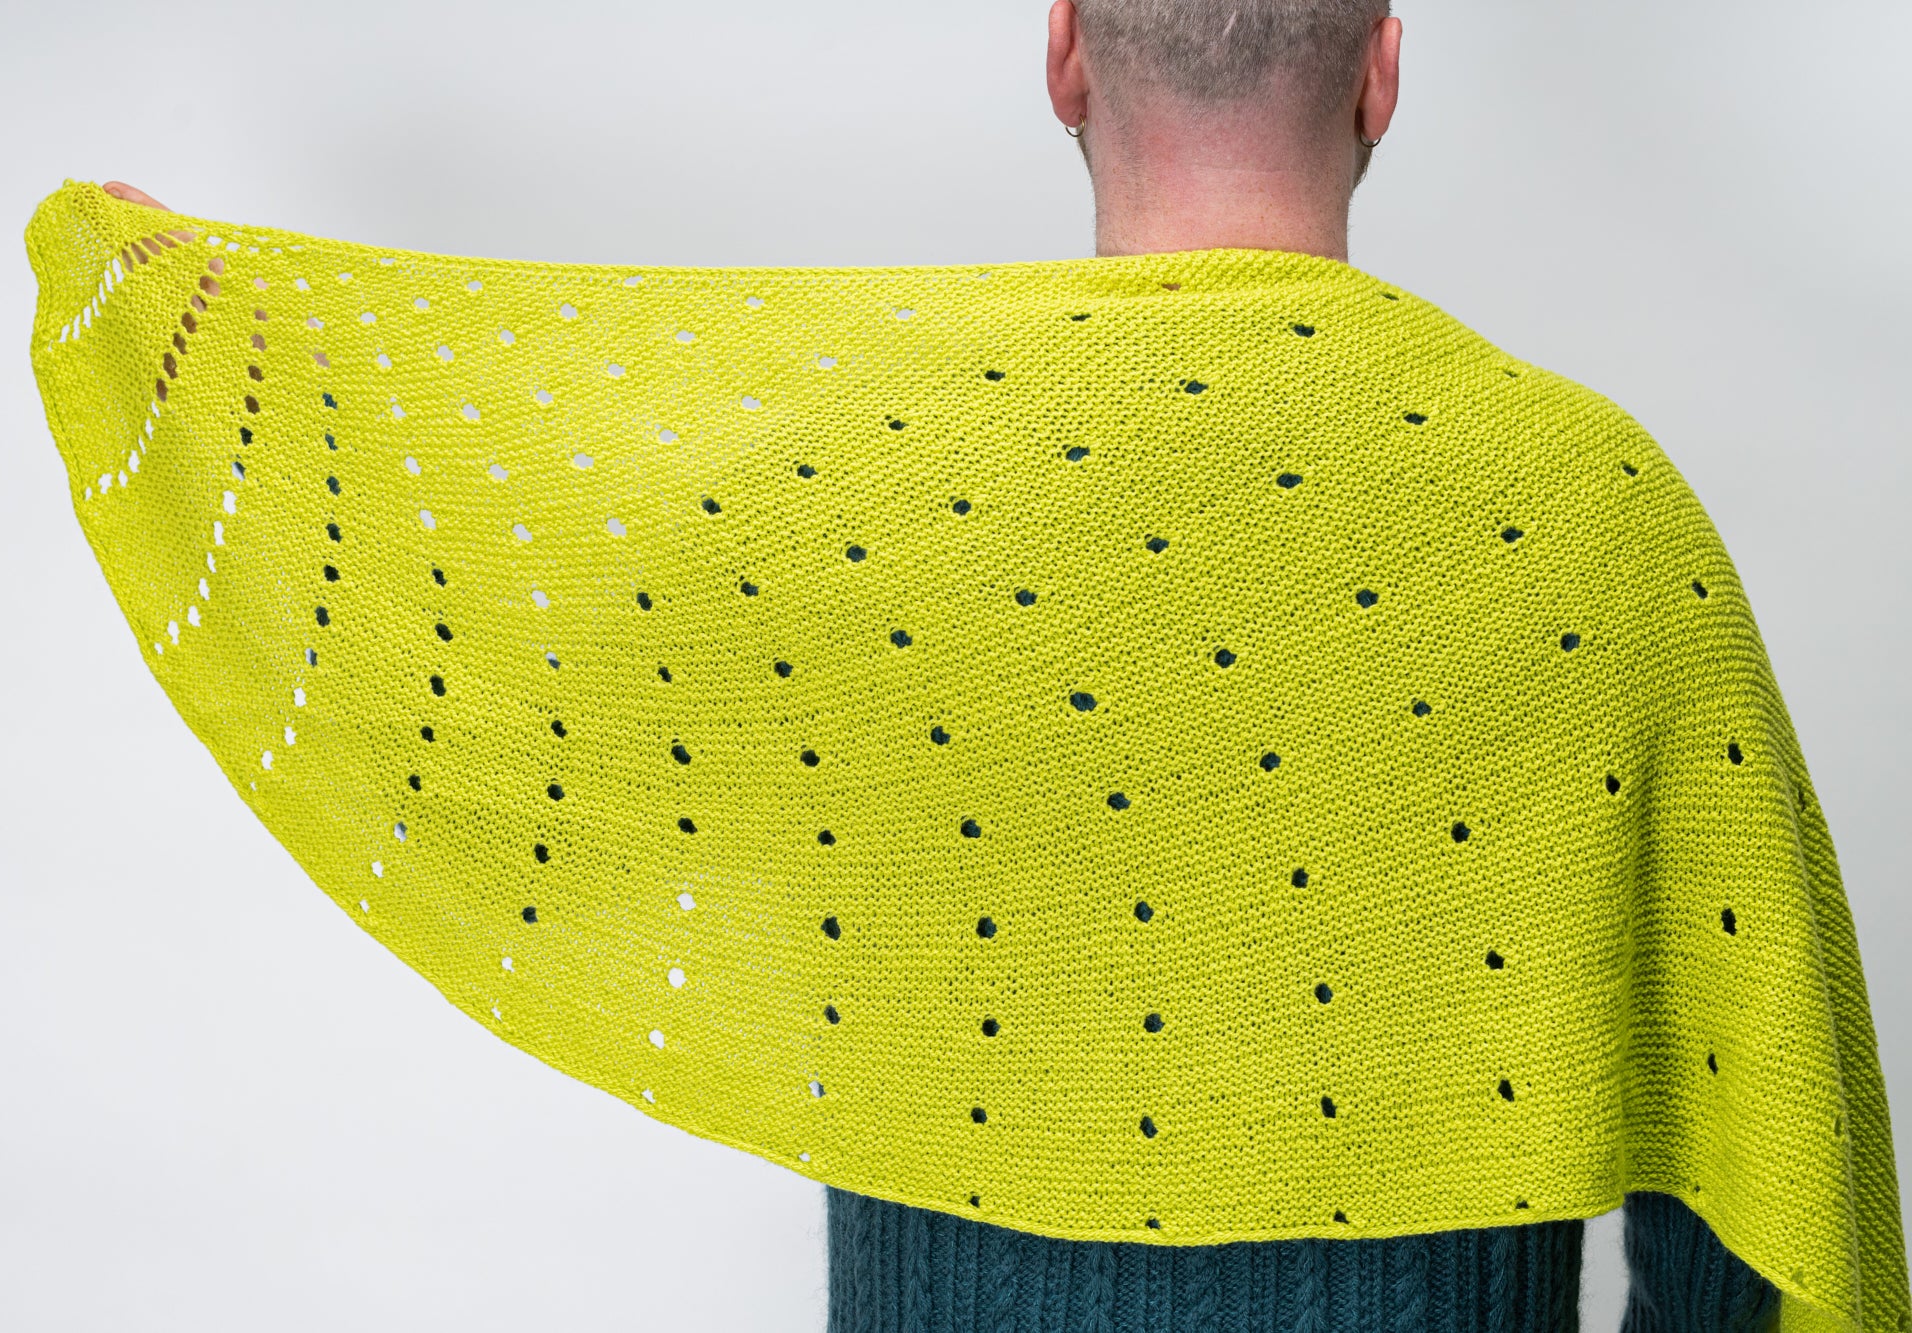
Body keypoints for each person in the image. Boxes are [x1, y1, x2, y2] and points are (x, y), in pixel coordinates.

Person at [91, 2, 1811, 1328]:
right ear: (1380, 71)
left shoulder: (866, 511)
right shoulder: (1604, 525)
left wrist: (210, 349)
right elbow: (1758, 1194)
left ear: (1063, 53)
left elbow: (527, 597)